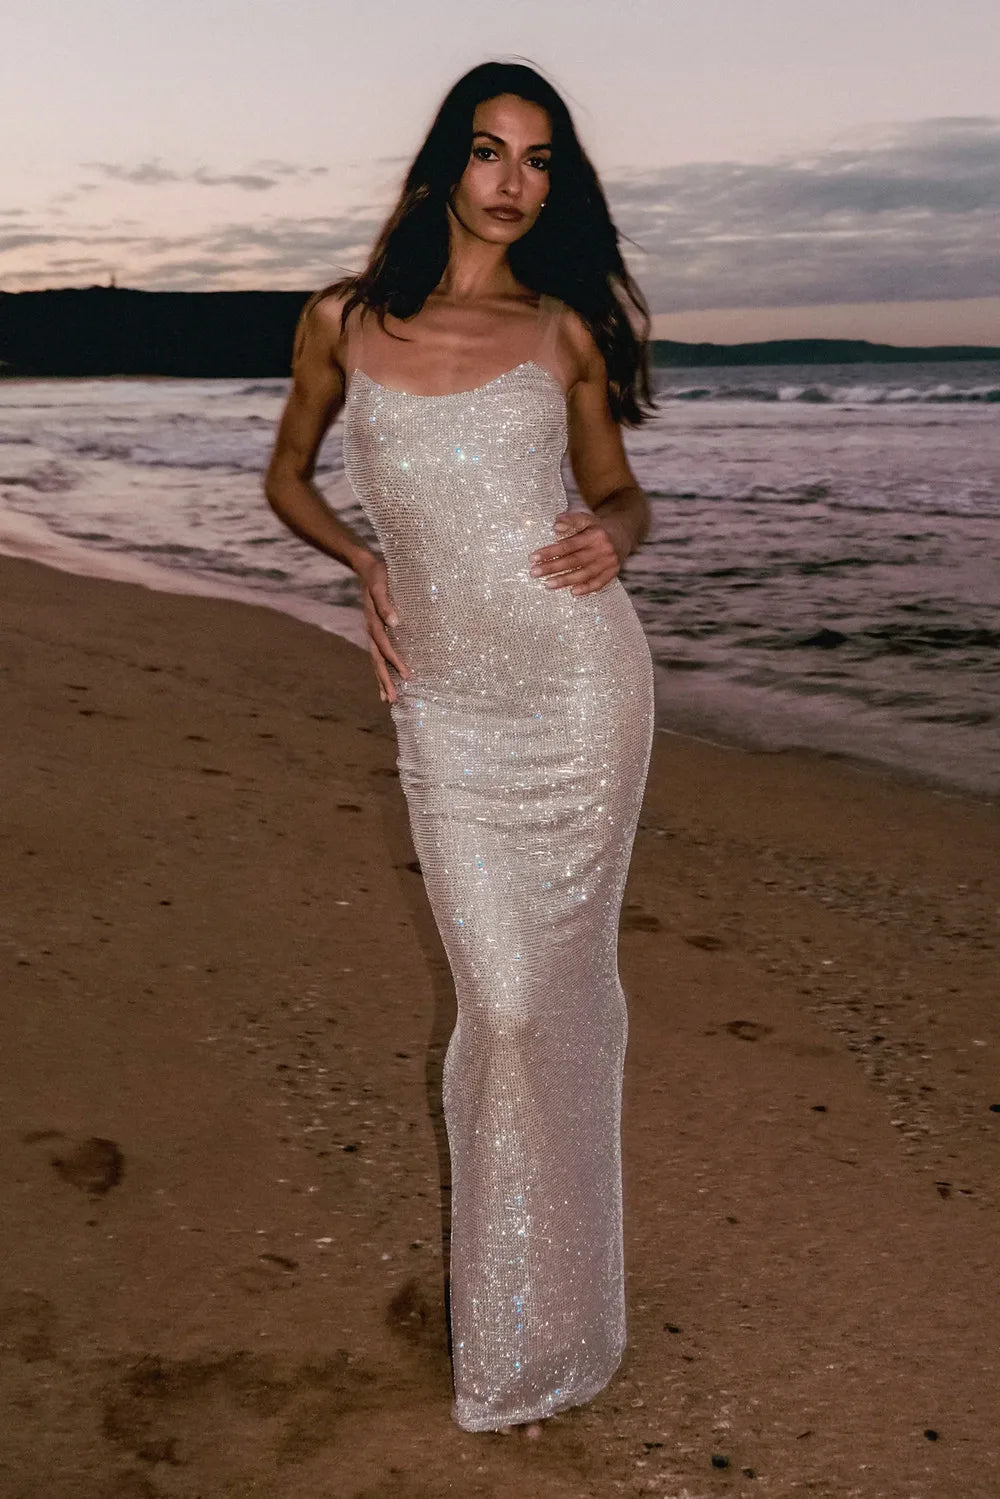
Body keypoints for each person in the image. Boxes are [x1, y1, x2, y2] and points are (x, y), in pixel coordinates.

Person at [264, 58, 657, 1437]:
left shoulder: (563, 334)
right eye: (490, 150)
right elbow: (287, 472)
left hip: (581, 687)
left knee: (550, 998)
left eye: (539, 159)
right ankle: (524, 1306)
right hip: (446, 698)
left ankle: (546, 1318)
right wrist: (357, 559)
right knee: (499, 1003)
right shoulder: (339, 319)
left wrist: (614, 531)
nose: (513, 179)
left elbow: (616, 490)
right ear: (444, 165)